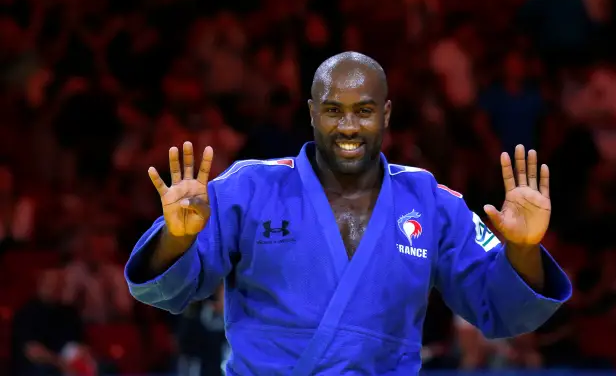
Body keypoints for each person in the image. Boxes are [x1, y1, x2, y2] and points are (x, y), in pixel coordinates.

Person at [125, 52, 572, 375]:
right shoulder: (250, 186)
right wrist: (178, 239)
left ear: (387, 114)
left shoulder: (430, 200)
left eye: (364, 111)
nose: (349, 127)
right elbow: (165, 291)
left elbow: (500, 308)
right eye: (333, 111)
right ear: (312, 114)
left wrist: (524, 251)